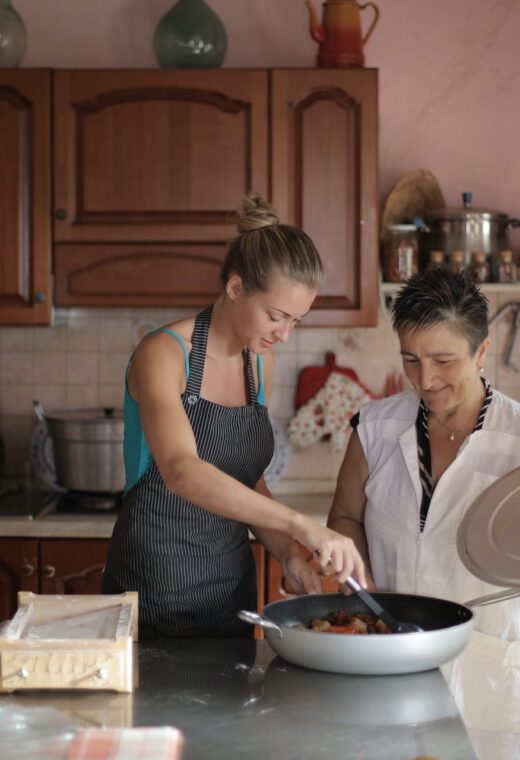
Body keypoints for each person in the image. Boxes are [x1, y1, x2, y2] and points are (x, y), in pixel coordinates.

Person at [102, 193, 366, 639]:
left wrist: (288, 554)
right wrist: (302, 525)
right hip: (152, 588)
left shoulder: (258, 363)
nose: (283, 334)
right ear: (236, 287)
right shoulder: (164, 353)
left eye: (296, 321)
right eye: (276, 316)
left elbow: (246, 479)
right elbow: (182, 471)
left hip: (229, 592)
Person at [328, 268, 520, 640]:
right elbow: (345, 516)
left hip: (490, 654)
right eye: (411, 359)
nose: (425, 380)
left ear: (481, 350)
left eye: (443, 361)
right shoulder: (372, 429)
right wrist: (359, 579)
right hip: (389, 643)